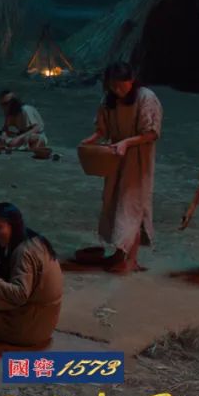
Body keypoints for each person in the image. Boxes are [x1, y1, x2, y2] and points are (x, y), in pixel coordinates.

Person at [80, 62, 162, 273]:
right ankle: (119, 254)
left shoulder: (146, 98)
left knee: (131, 207)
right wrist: (91, 140)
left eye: (120, 84)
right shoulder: (109, 99)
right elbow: (103, 129)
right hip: (115, 158)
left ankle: (131, 260)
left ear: (131, 80)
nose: (116, 89)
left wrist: (126, 142)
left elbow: (151, 133)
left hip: (138, 160)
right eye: (112, 85)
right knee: (115, 204)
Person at [0, 203, 63, 347]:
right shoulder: (35, 241)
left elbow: (19, 295)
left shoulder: (24, 252)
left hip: (27, 329)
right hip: (44, 324)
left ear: (13, 225)